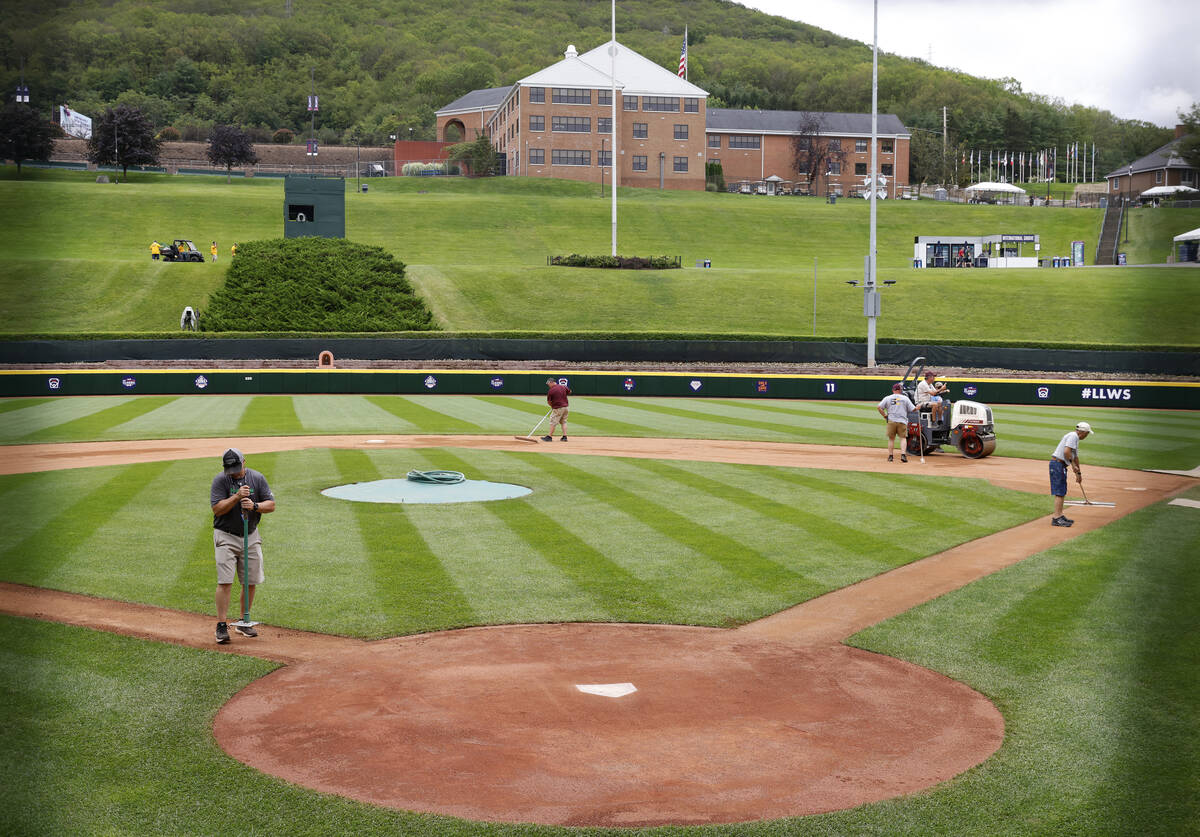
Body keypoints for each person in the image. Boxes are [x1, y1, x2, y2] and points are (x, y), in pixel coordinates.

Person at [210, 448, 275, 643]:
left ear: (244, 462)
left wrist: (254, 506)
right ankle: (221, 625)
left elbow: (271, 505)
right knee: (225, 581)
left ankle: (243, 622)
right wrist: (237, 497)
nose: (235, 472)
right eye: (231, 469)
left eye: (237, 467)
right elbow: (217, 509)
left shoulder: (257, 478)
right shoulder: (220, 480)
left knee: (250, 580)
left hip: (251, 535)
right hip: (226, 536)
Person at [1049, 421, 1092, 527]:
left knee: (1062, 490)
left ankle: (1060, 515)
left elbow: (1075, 457)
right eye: (1087, 434)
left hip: (1060, 465)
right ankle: (1057, 518)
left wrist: (1079, 473)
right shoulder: (1073, 436)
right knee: (1060, 492)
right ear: (1082, 432)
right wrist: (1073, 465)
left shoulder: (1075, 438)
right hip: (1057, 464)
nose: (1086, 436)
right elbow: (1066, 452)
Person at [877, 382, 916, 462]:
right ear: (900, 390)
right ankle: (903, 455)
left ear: (893, 390)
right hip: (902, 421)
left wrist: (884, 415)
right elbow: (913, 409)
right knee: (903, 438)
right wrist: (918, 407)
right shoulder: (905, 398)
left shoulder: (887, 398)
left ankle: (891, 456)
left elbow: (879, 407)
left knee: (891, 439)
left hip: (891, 420)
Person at [542, 377, 571, 442]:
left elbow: (549, 402)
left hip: (558, 408)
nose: (548, 385)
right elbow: (569, 391)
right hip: (566, 407)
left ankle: (549, 437)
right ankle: (564, 437)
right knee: (563, 422)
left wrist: (552, 406)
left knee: (553, 422)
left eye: (548, 384)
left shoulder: (551, 390)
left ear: (552, 382)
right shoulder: (563, 387)